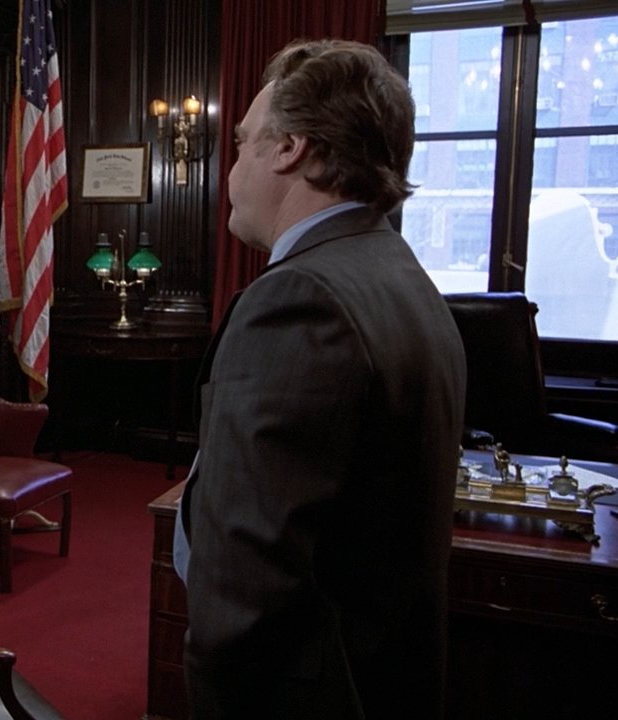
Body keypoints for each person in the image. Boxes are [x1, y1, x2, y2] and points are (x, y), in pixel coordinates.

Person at [180, 39, 466, 719]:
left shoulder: (300, 298)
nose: (231, 167)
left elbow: (247, 591)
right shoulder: (398, 271)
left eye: (243, 143)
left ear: (290, 149)